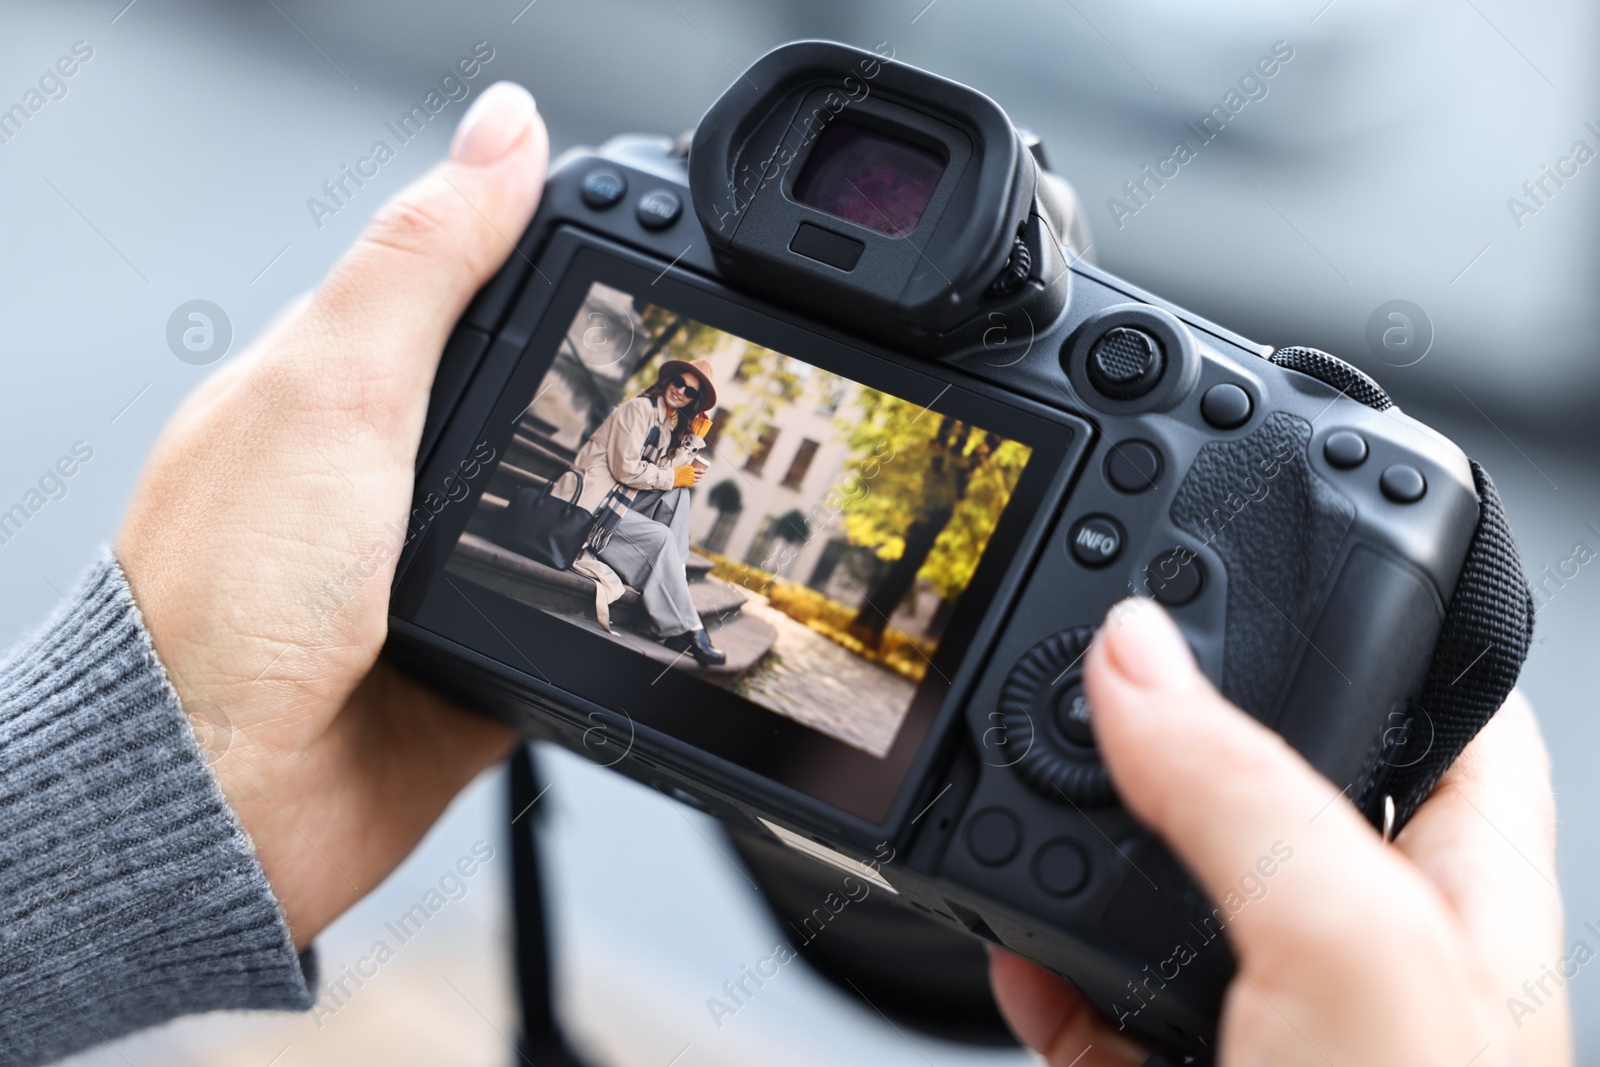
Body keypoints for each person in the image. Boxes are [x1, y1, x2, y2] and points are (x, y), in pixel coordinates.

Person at [0, 81, 1570, 1067]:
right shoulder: (645, 426)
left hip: (644, 551)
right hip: (607, 538)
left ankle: (663, 610)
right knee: (671, 571)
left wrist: (147, 770)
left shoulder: (684, 435)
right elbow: (623, 475)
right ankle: (660, 610)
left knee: (682, 577)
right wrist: (171, 767)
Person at [562, 357, 726, 666]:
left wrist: (693, 443)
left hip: (618, 500)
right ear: (668, 380)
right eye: (679, 382)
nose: (681, 391)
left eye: (690, 392)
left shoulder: (666, 423)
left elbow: (665, 475)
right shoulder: (639, 409)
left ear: (694, 402)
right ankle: (689, 627)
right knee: (662, 534)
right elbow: (626, 470)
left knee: (679, 494)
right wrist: (674, 476)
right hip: (593, 505)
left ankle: (674, 580)